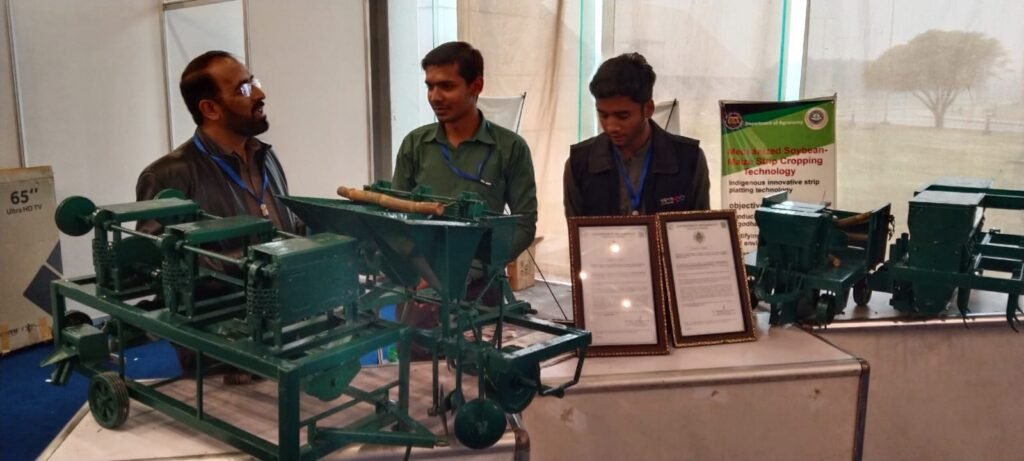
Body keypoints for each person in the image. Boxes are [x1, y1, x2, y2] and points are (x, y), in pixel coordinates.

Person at [135, 50, 301, 383]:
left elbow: (284, 226)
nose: (259, 93)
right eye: (243, 88)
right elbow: (163, 266)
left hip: (287, 324)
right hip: (220, 343)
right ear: (210, 109)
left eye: (253, 81)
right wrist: (256, 262)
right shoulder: (168, 176)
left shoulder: (265, 156)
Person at [391, 41, 537, 357]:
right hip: (420, 293)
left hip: (481, 295)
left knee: (479, 375)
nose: (435, 96)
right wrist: (418, 274)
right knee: (415, 377)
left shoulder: (510, 149)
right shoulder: (415, 145)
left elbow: (524, 224)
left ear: (476, 86)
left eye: (446, 86)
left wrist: (470, 269)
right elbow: (395, 220)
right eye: (430, 86)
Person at [564, 52, 710, 217]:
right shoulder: (579, 164)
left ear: (648, 109)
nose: (611, 127)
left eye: (622, 116)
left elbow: (701, 227)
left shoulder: (689, 160)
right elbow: (575, 229)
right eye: (603, 115)